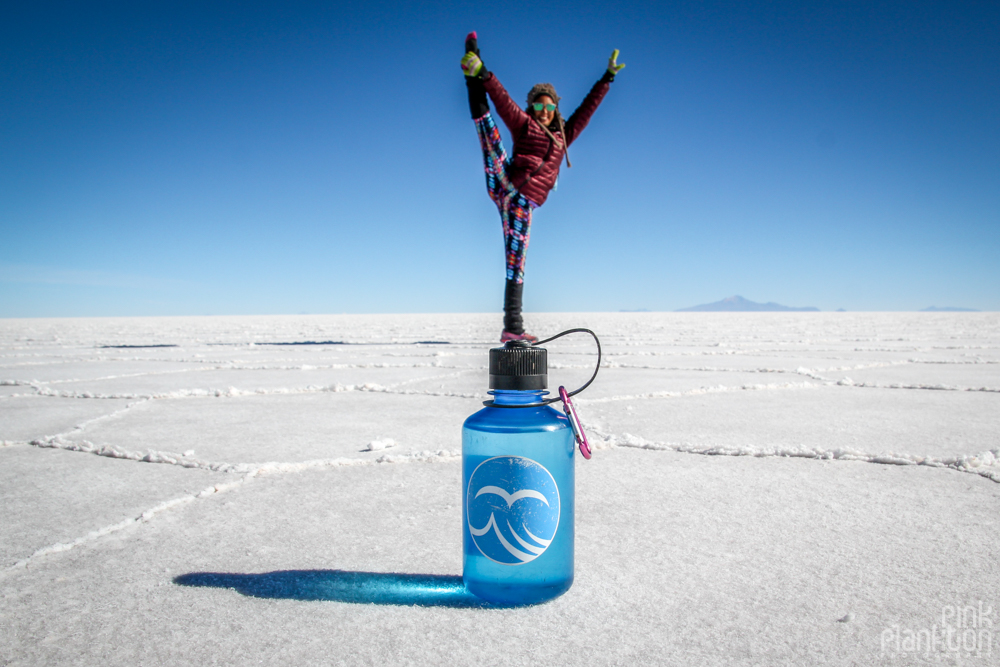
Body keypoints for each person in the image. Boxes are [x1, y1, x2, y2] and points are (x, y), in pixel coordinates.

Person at [461, 32, 624, 343]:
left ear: (556, 109)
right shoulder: (524, 125)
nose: (543, 112)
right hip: (506, 182)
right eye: (538, 106)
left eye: (548, 107)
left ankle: (512, 326)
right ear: (531, 108)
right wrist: (484, 75)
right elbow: (503, 100)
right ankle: (472, 67)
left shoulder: (565, 135)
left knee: (516, 260)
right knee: (488, 130)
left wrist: (607, 78)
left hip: (523, 203)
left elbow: (588, 109)